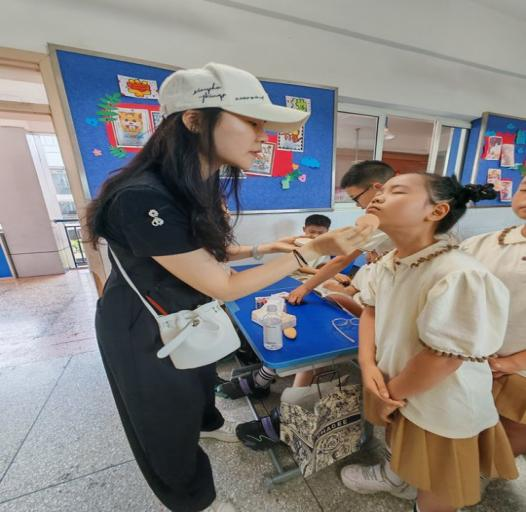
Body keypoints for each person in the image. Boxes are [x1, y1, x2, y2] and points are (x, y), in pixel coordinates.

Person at [86, 62, 373, 512]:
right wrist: (310, 252)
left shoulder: (190, 184)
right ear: (195, 120)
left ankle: (207, 421)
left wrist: (262, 249)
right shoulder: (143, 196)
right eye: (253, 123)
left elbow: (199, 253)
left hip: (185, 311)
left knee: (201, 380)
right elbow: (221, 283)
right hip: (143, 325)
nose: (264, 137)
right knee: (163, 422)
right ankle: (193, 500)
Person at [340, 174, 518, 512]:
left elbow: (442, 358)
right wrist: (367, 365)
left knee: (437, 486)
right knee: (404, 446)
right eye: (383, 187)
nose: (379, 194)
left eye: (397, 191)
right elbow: (371, 311)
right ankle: (398, 478)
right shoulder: (387, 262)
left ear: (436, 212)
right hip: (397, 386)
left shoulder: (458, 274)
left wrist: (389, 395)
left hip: (440, 400)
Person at [461, 175, 526, 458]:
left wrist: (513, 362)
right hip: (474, 358)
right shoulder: (483, 243)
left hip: (517, 366)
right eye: (524, 188)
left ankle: (483, 474)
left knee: (511, 428)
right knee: (468, 420)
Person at [288, 160, 395, 305]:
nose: (358, 205)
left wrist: (305, 288)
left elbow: (342, 258)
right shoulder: (397, 212)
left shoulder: (383, 215)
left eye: (356, 198)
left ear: (376, 188)